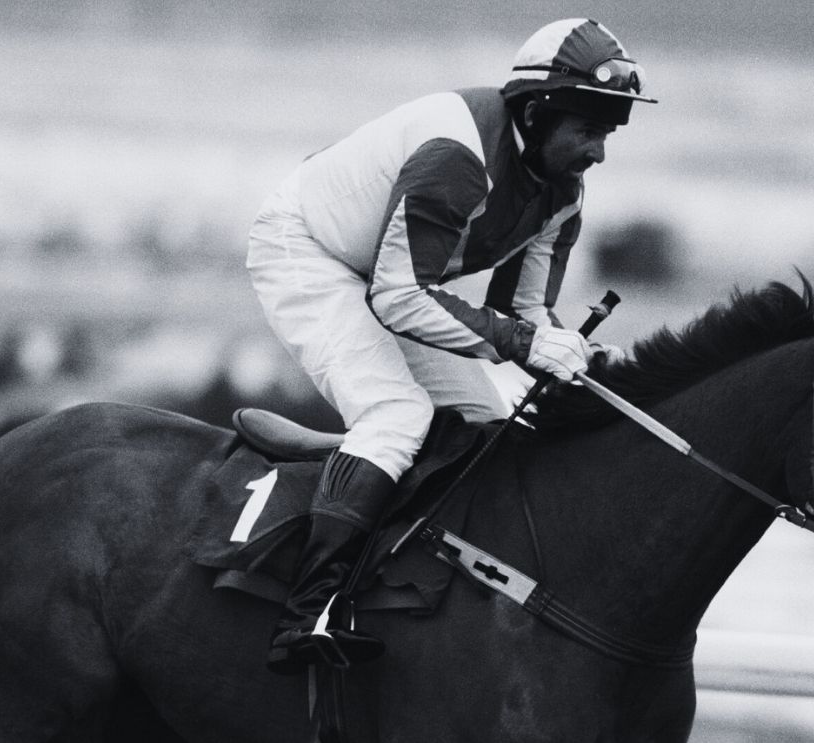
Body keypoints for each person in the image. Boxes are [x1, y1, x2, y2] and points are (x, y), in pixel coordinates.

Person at [246, 17, 656, 674]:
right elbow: (398, 298)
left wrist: (572, 358)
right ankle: (307, 611)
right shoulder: (457, 155)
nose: (599, 151)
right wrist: (524, 343)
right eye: (589, 129)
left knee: (488, 427)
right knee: (396, 413)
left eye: (607, 132)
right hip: (311, 251)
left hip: (391, 275)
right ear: (540, 110)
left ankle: (415, 589)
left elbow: (521, 311)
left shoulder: (562, 195)